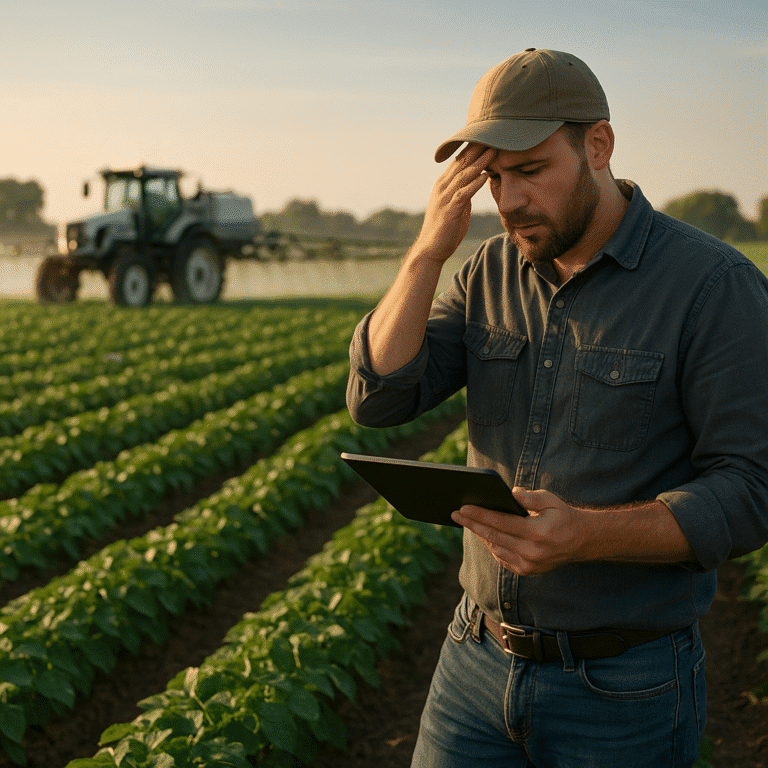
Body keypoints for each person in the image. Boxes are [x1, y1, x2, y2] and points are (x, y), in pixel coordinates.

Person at [345, 48, 768, 768]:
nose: (507, 202)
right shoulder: (485, 270)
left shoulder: (712, 287)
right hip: (473, 660)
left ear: (598, 146)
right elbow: (380, 396)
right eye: (493, 178)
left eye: (531, 171)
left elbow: (752, 490)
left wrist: (587, 535)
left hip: (626, 687)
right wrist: (425, 254)